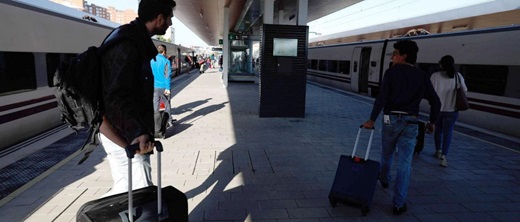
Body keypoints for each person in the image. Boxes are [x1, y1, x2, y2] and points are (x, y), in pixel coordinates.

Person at [98, 0, 177, 197]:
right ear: (159, 18)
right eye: (169, 18)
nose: (170, 24)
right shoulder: (128, 43)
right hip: (122, 132)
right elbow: (116, 95)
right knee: (142, 191)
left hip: (119, 129)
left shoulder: (130, 38)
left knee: (127, 188)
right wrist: (138, 132)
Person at [362, 40, 441, 215]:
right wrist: (432, 122)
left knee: (387, 153)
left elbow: (382, 98)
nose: (392, 56)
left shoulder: (391, 73)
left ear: (404, 56)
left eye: (395, 53)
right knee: (405, 163)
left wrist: (372, 120)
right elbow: (436, 101)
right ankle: (399, 203)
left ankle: (384, 178)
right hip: (412, 121)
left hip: (390, 119)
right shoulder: (422, 76)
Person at [430, 55, 467, 167]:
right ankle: (444, 157)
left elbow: (430, 92)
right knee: (448, 132)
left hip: (438, 110)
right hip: (452, 110)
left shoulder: (435, 76)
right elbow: (465, 90)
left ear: (441, 64)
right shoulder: (457, 76)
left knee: (438, 130)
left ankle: (438, 151)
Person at [151, 44, 173, 138]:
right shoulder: (166, 61)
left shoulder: (152, 60)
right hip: (164, 87)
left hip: (154, 87)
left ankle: (156, 125)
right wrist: (168, 88)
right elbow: (167, 76)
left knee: (155, 106)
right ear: (164, 52)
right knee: (167, 105)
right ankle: (167, 122)